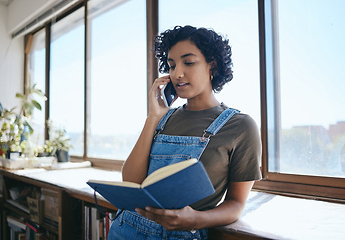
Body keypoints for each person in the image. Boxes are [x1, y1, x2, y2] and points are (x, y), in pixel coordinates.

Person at [107, 25, 261, 240]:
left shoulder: (240, 126)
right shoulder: (162, 119)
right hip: (125, 230)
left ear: (212, 66)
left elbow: (236, 204)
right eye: (171, 65)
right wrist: (153, 117)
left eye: (188, 62)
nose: (177, 73)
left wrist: (196, 219)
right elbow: (131, 181)